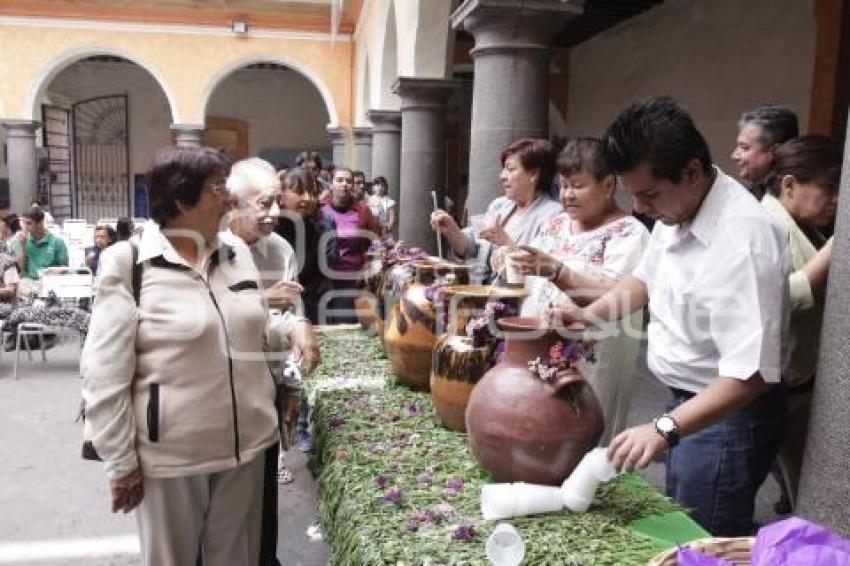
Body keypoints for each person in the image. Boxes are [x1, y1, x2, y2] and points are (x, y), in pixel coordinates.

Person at [553, 97, 790, 536]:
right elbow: (643, 281)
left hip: (727, 416)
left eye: (648, 194)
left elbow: (751, 373)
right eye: (634, 194)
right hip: (686, 401)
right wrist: (588, 317)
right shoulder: (675, 208)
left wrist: (662, 428)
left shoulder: (743, 237)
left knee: (703, 537)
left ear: (692, 172)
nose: (640, 207)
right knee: (681, 523)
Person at [81, 146, 279, 565]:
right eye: (217, 189)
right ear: (179, 200)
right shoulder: (130, 263)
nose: (229, 199)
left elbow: (253, 329)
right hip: (171, 459)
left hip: (246, 450)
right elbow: (104, 373)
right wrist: (120, 461)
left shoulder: (235, 252)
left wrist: (292, 330)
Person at [510, 138, 650, 444]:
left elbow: (620, 292)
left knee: (583, 434)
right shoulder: (556, 224)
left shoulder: (629, 234)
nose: (567, 196)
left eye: (577, 185)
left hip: (591, 361)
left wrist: (558, 272)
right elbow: (534, 280)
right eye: (562, 186)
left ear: (609, 185)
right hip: (541, 347)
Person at [225, 157, 321, 565]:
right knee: (226, 507)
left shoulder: (278, 248)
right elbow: (199, 317)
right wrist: (264, 302)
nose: (275, 213)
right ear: (233, 202)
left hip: (263, 384)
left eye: (277, 202)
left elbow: (288, 316)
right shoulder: (207, 248)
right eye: (264, 203)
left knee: (264, 492)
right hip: (219, 392)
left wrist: (291, 378)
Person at [760, 134, 838, 513]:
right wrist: (831, 253)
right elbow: (774, 300)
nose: (837, 200)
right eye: (830, 188)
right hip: (777, 382)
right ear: (789, 184)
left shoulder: (803, 223)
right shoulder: (767, 225)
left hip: (800, 375)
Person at [430, 138, 562, 282]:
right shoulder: (499, 205)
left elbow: (542, 272)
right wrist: (451, 229)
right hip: (483, 294)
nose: (502, 176)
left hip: (519, 300)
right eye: (503, 169)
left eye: (510, 169)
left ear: (533, 174)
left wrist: (505, 241)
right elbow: (471, 248)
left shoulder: (553, 215)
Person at [276, 167, 334, 325]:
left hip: (311, 312)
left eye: (312, 192)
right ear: (280, 196)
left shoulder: (317, 228)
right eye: (300, 191)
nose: (308, 198)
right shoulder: (269, 231)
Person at [321, 167, 379, 324]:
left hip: (351, 278)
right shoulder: (320, 209)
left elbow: (374, 244)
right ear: (331, 184)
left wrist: (368, 268)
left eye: (348, 181)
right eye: (339, 180)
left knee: (345, 323)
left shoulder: (363, 211)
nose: (344, 184)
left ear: (353, 185)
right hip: (323, 279)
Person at [731, 104, 799, 199]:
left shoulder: (785, 198)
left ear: (775, 151)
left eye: (745, 148)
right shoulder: (758, 191)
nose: (734, 156)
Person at [14, 208, 69, 297]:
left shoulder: (57, 241)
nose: (25, 227)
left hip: (51, 281)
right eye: (24, 223)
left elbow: (64, 268)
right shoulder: (22, 241)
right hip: (30, 282)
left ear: (40, 223)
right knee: (20, 285)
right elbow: (21, 268)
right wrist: (23, 247)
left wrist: (50, 274)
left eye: (29, 223)